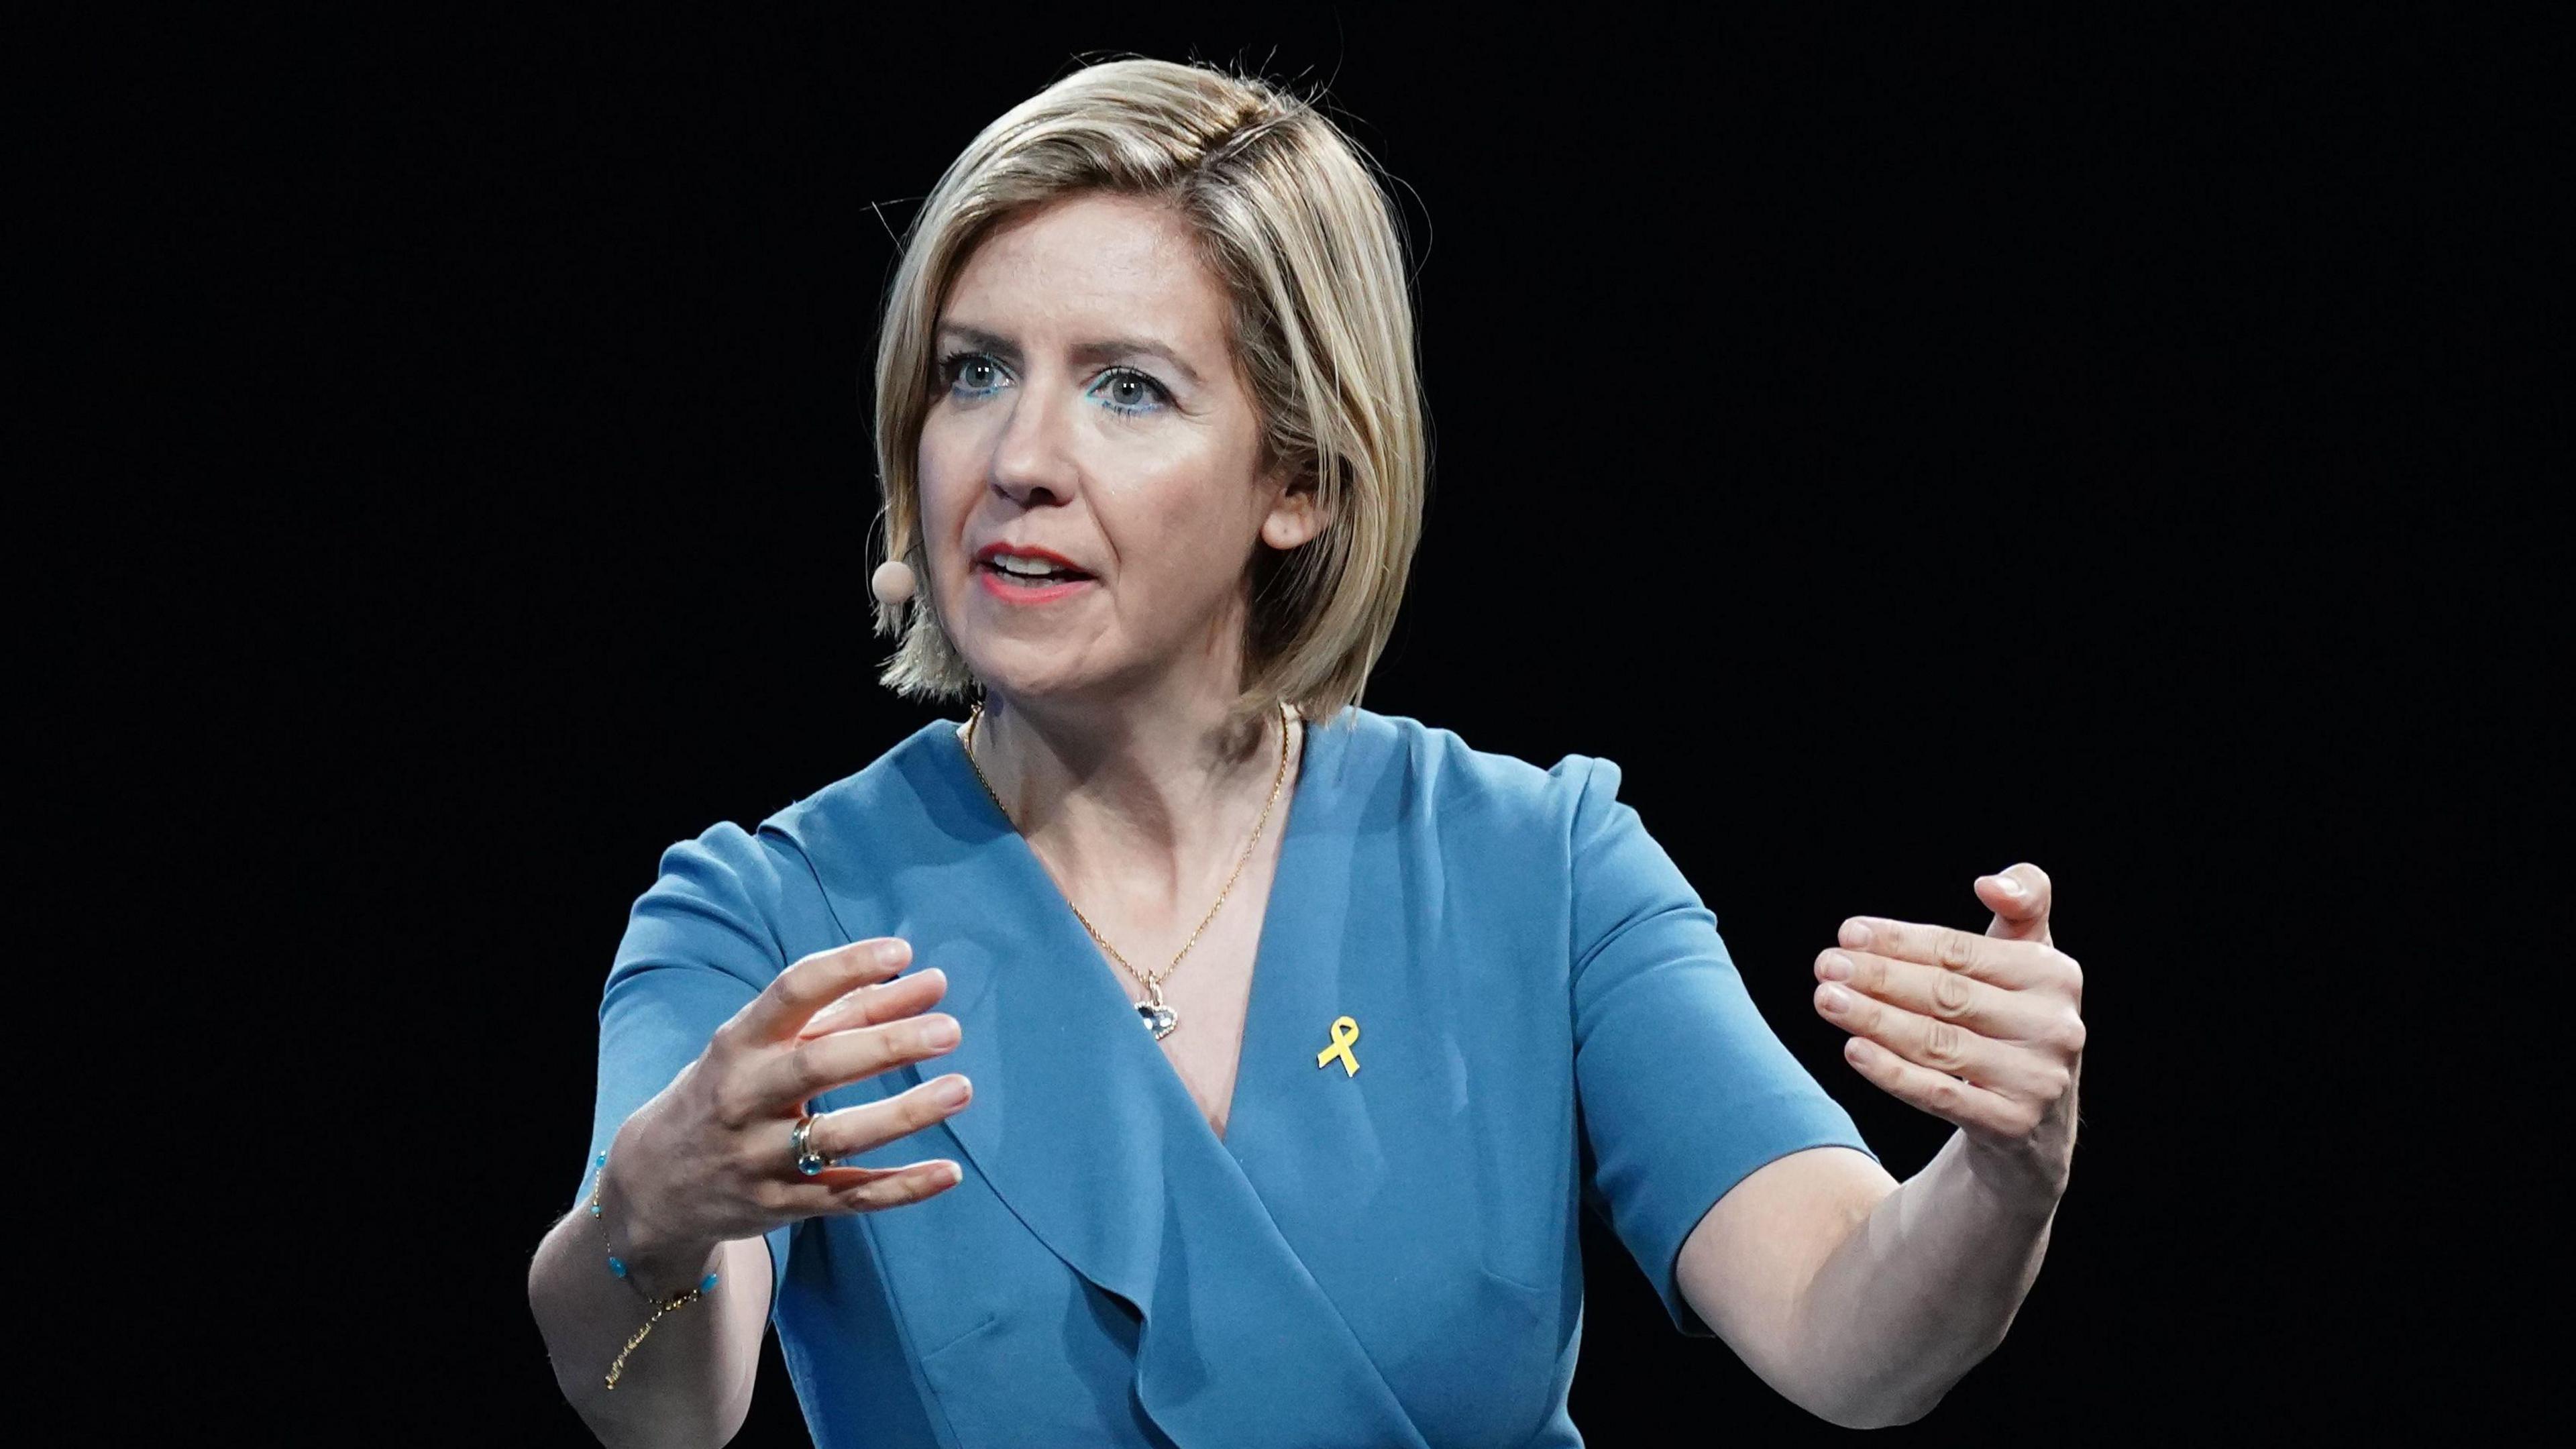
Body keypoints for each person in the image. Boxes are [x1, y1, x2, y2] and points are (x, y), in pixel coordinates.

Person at [526, 56, 2087, 1448]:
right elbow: (662, 1408)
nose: (1017, 462)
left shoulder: (1535, 869)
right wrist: (645, 1221)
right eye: (973, 372)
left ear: (1304, 480)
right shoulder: (764, 916)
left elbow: (1849, 1334)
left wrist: (2000, 1181)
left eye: (1127, 389)